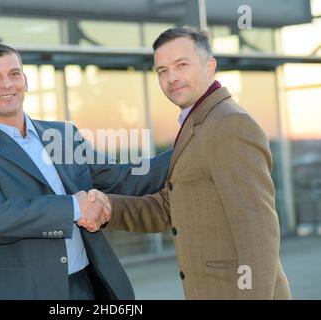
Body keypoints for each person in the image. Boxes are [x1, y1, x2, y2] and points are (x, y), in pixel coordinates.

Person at [0, 43, 171, 300]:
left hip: (86, 285)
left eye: (14, 74)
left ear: (25, 81)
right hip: (21, 291)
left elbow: (121, 178)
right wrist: (75, 207)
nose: (7, 85)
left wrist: (190, 145)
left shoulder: (62, 135)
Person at [88, 28, 291, 299]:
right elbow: (171, 207)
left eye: (181, 65)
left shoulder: (230, 124)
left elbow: (257, 228)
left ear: (210, 67)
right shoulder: (198, 123)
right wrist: (109, 208)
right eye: (161, 70)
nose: (171, 78)